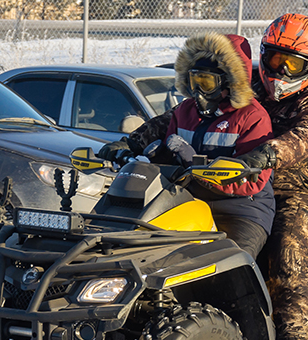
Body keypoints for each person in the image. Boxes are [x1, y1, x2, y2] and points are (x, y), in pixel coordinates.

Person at [109, 14, 308, 340]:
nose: (281, 70)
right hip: (227, 183)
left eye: (292, 64)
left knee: (287, 248)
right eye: (275, 59)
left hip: (298, 191)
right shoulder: (253, 89)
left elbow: (303, 138)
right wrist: (133, 141)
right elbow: (175, 117)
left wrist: (267, 153)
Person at [98, 32, 275, 261]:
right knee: (147, 254)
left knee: (232, 265)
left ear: (229, 81)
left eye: (206, 82)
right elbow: (171, 160)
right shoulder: (185, 111)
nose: (199, 91)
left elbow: (253, 181)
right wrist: (156, 156)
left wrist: (197, 163)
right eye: (194, 81)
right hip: (187, 201)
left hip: (240, 210)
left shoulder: (252, 116)